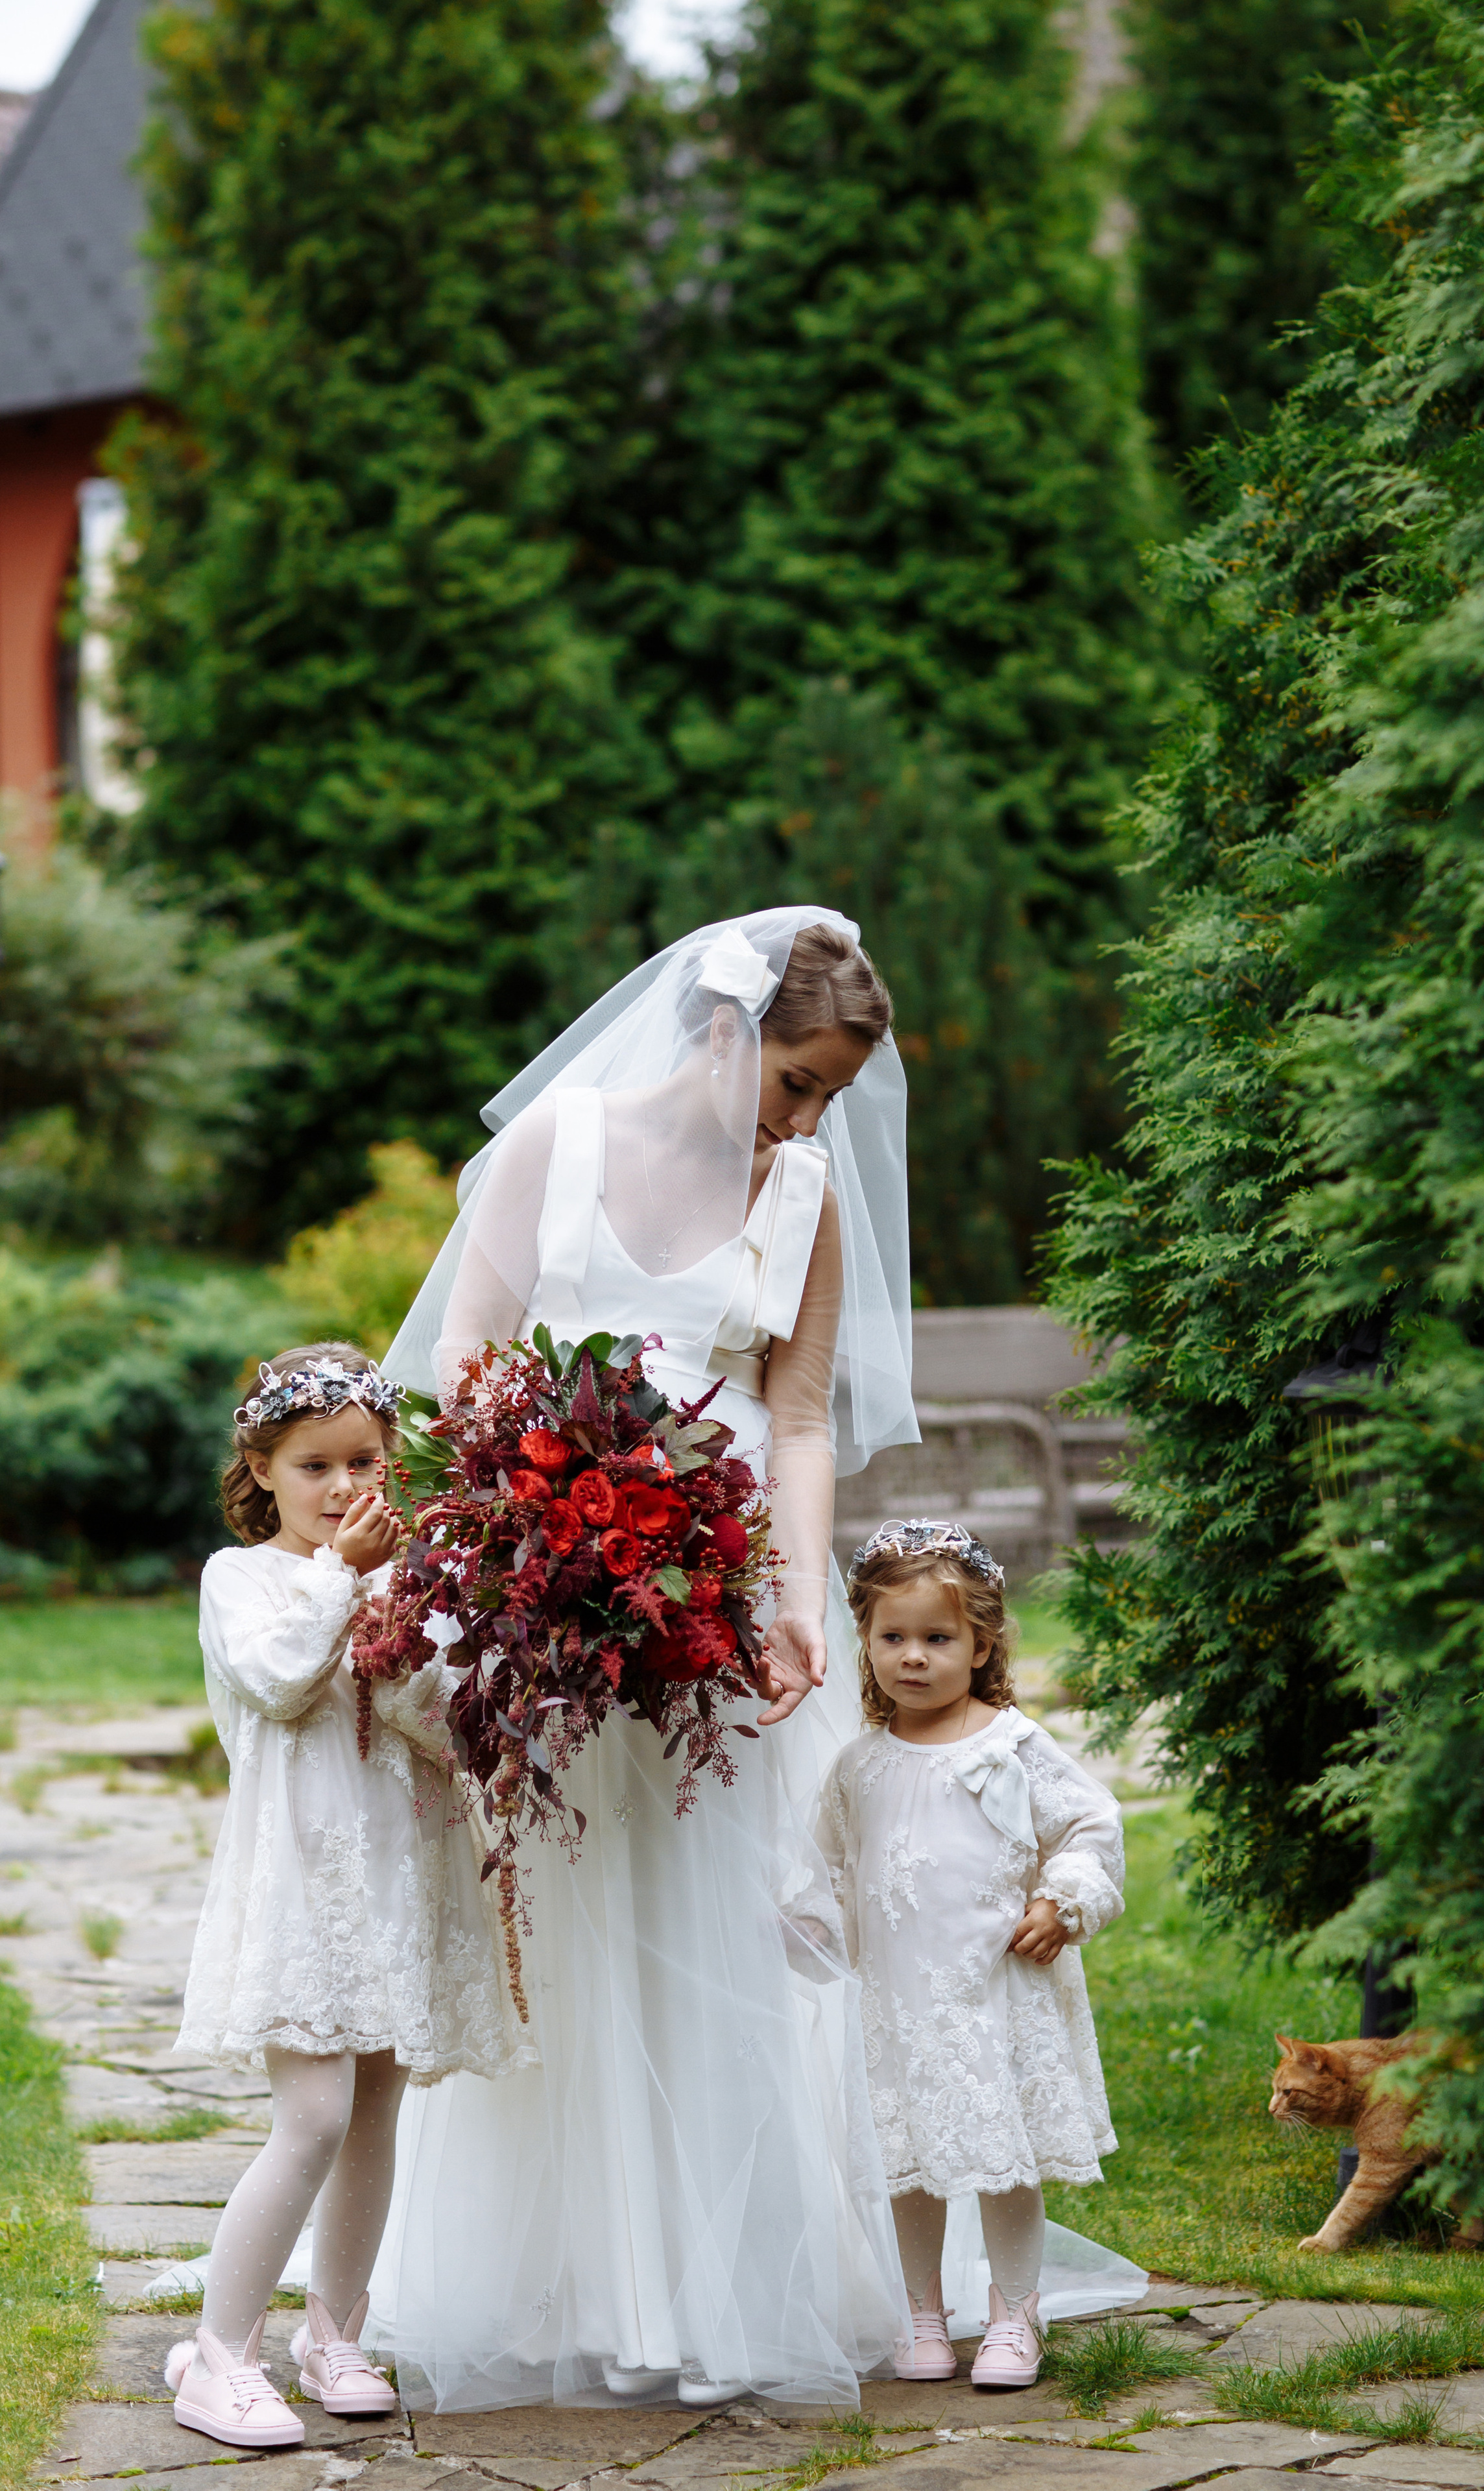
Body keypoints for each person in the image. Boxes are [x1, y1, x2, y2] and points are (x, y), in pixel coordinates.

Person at [371, 908, 917, 2412]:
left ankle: (716, 2292)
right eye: (797, 1082)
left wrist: (796, 1596)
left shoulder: (799, 1190)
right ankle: (551, 2282)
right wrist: (512, 1543)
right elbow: (471, 1357)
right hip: (547, 1579)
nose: (805, 1122)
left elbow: (796, 1416)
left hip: (719, 1600)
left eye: (828, 1101)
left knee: (714, 1919)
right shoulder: (562, 1138)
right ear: (724, 1034)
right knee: (554, 1925)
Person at [165, 1345, 531, 2451]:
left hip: (402, 1874)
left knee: (377, 2107)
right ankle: (221, 2353)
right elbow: (277, 1682)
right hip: (308, 1880)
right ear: (265, 1470)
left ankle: (336, 2331)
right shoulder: (244, 1580)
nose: (342, 1488)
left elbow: (442, 1727)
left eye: (362, 1462)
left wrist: (403, 1633)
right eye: (314, 1465)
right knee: (313, 2114)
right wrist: (343, 1589)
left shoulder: (403, 1579)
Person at [820, 1518, 1145, 2392]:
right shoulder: (859, 1766)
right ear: (866, 1641)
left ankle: (1014, 2311)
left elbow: (1090, 1822)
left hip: (996, 1993)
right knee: (910, 2161)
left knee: (1004, 2158)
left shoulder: (1010, 1746)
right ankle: (923, 2311)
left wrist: (1063, 1899)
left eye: (937, 1638)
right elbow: (830, 1868)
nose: (913, 1657)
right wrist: (808, 1927)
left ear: (981, 1642)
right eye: (893, 1638)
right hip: (899, 2002)